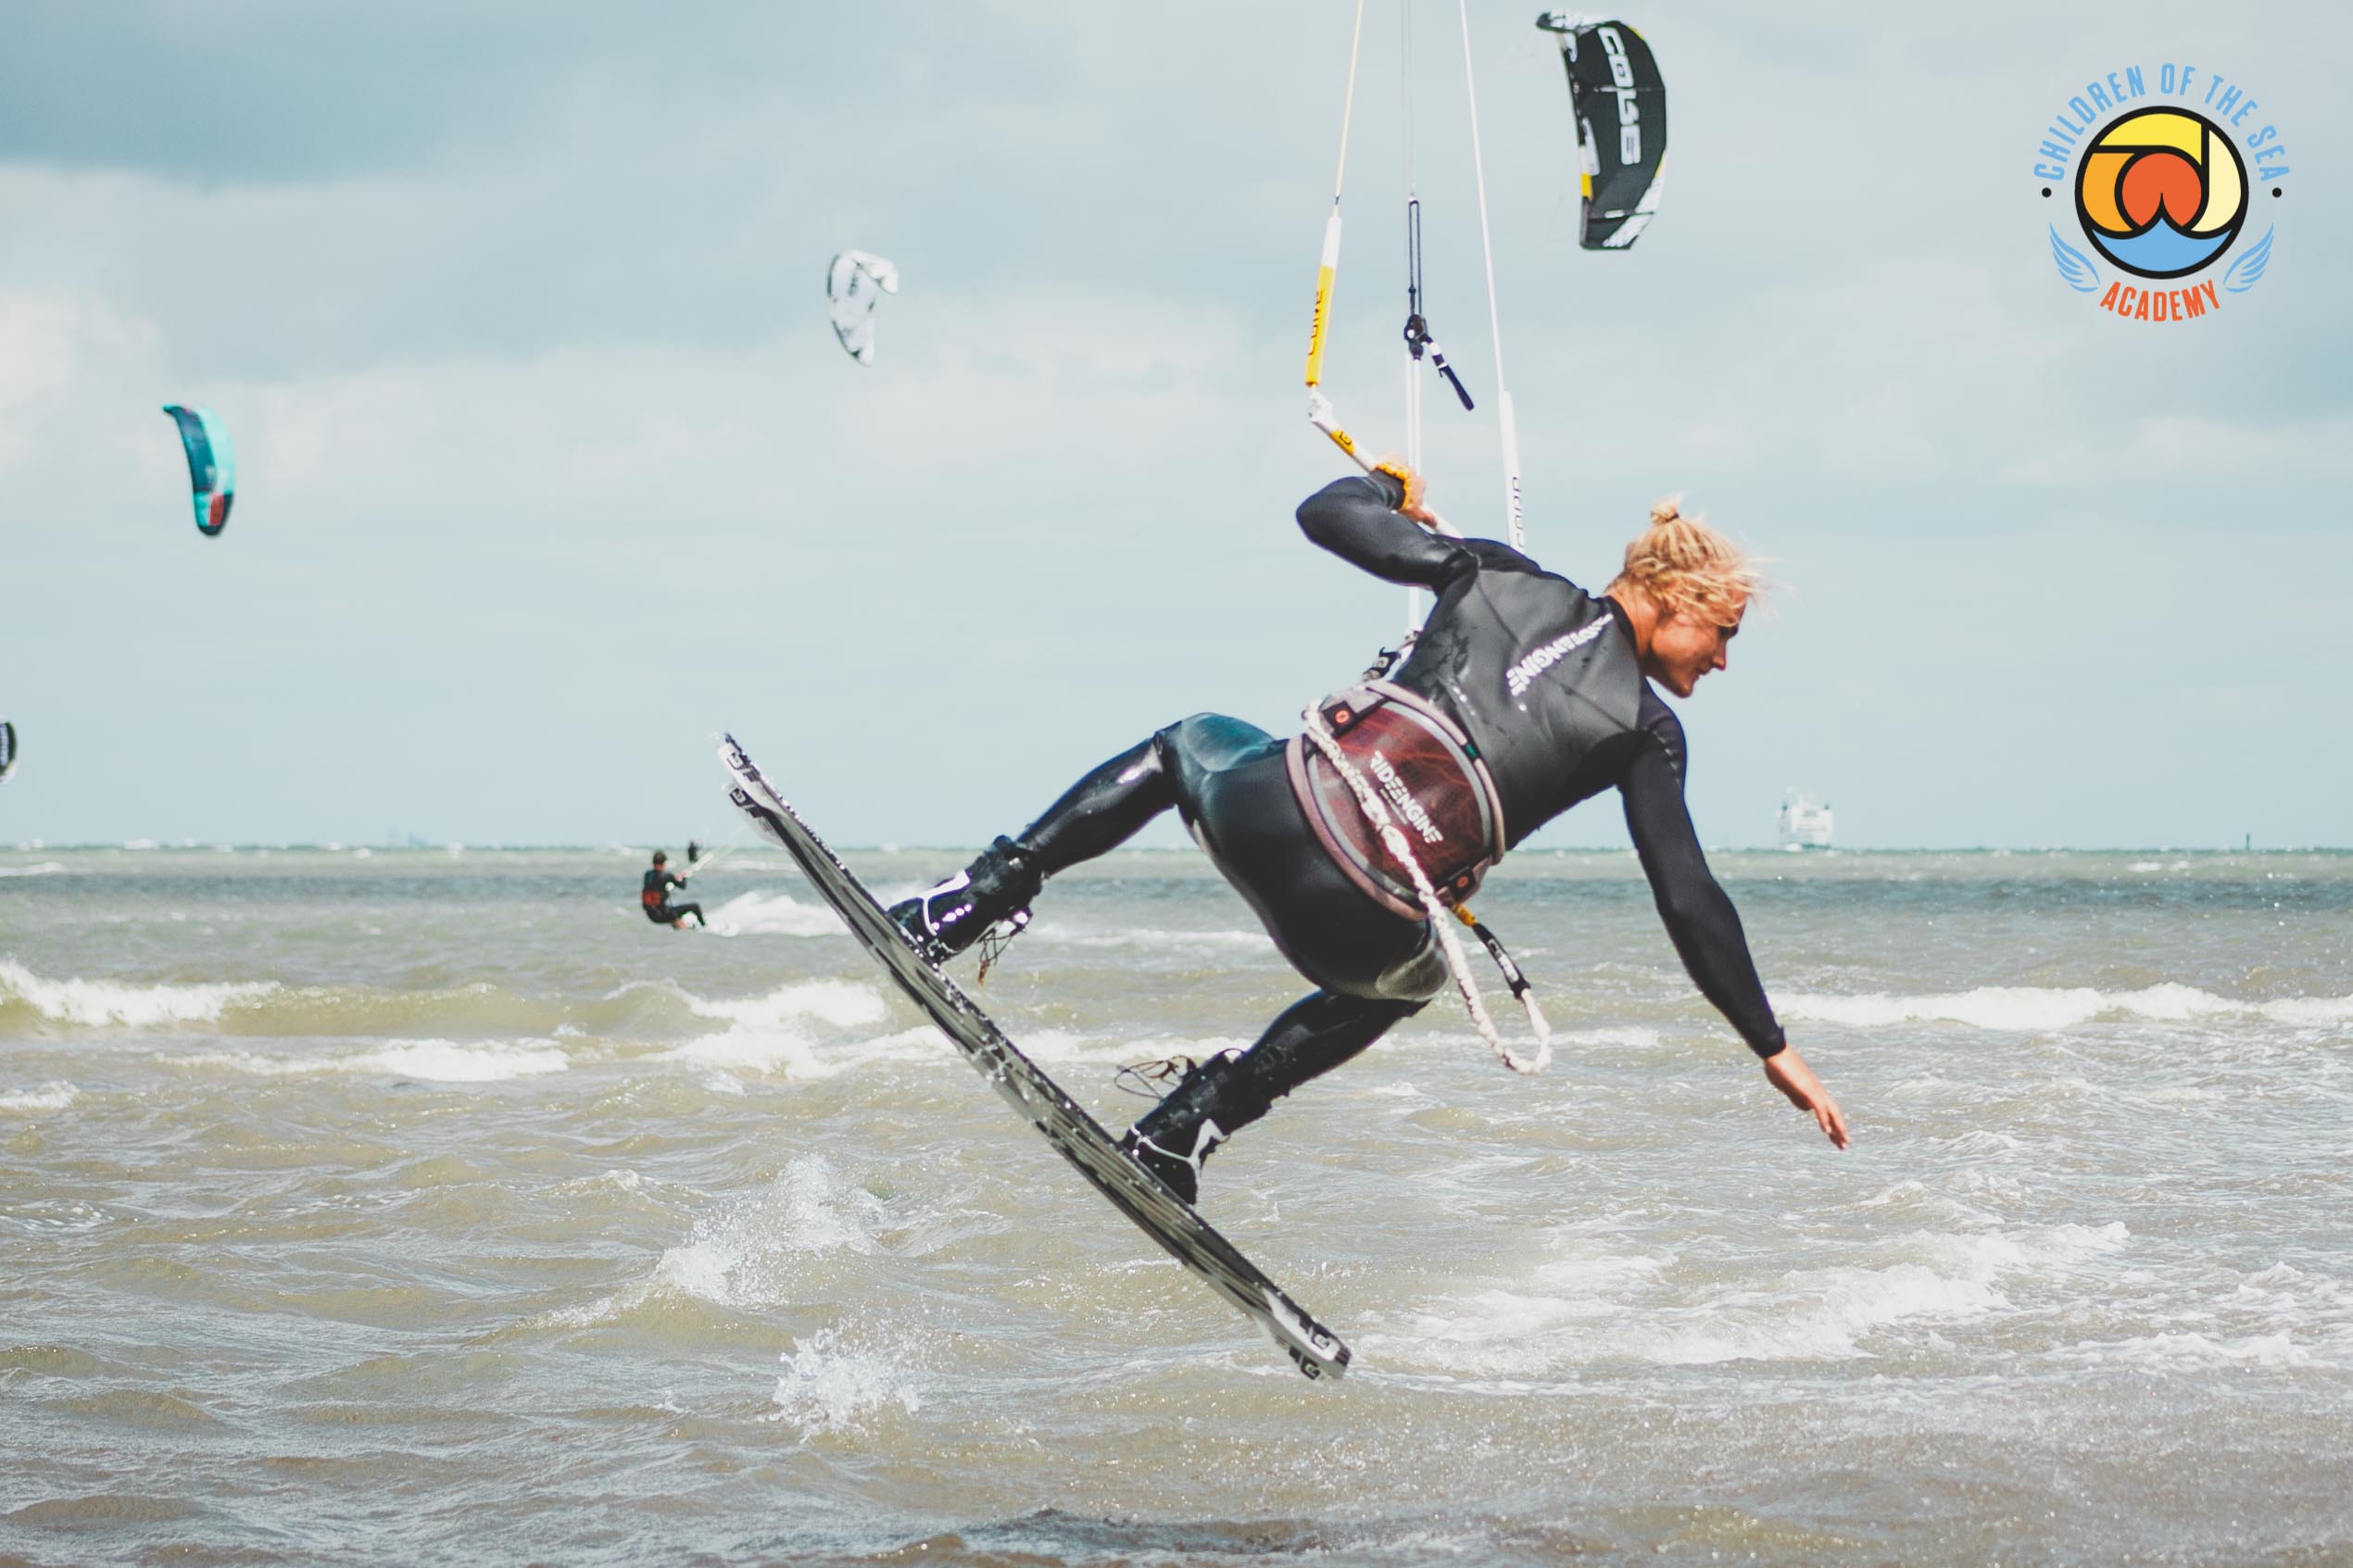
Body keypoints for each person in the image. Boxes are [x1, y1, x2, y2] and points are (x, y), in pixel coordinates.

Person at [888, 467, 1849, 1203]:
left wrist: (1388, 488)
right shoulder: (1642, 730)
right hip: (1360, 923)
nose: (1721, 660)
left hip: (1266, 818)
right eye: (1721, 633)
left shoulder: (1495, 575)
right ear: (1671, 600)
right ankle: (1189, 1123)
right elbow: (1685, 893)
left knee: (1187, 742)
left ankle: (970, 899)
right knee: (1419, 976)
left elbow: (1325, 513)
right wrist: (1767, 1043)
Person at [641, 850, 705, 929]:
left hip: (652, 916)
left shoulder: (647, 875)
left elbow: (656, 885)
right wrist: (684, 877)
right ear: (664, 863)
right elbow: (682, 886)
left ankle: (680, 924)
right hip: (664, 914)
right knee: (695, 907)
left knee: (675, 916)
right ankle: (704, 926)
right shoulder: (667, 876)